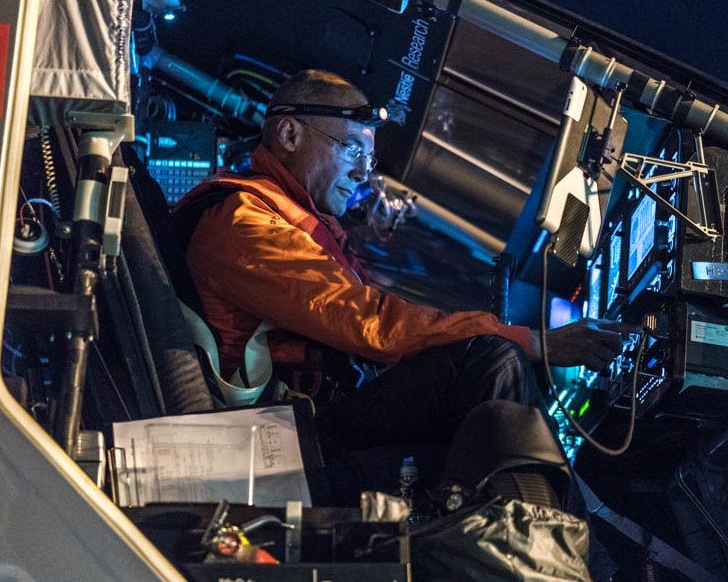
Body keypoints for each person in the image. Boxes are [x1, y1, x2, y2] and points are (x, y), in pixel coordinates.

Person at [173, 68, 635, 578]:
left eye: (368, 159)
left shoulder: (288, 220)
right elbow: (368, 324)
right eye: (351, 150)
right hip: (290, 448)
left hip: (317, 427)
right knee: (490, 362)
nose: (363, 172)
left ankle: (584, 566)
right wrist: (534, 342)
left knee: (494, 444)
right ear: (288, 135)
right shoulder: (244, 223)